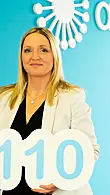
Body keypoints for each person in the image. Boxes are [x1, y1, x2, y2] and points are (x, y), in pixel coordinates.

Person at [0, 27, 100, 195]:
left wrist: (63, 179)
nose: (35, 56)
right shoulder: (4, 97)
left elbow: (90, 150)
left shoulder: (72, 97)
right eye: (28, 50)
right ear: (21, 57)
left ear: (54, 55)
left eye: (43, 50)